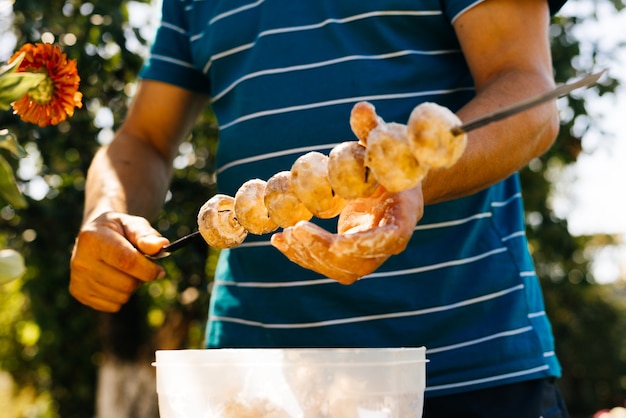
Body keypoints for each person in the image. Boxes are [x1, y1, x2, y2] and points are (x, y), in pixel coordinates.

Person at [69, 0, 571, 416]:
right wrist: (107, 209)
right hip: (257, 380)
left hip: (468, 370)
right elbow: (144, 138)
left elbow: (529, 90)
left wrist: (412, 178)